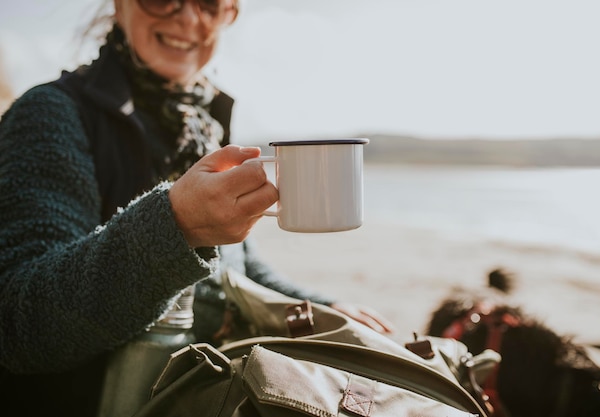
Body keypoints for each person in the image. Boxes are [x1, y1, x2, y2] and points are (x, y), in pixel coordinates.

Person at [0, 0, 393, 415]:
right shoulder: (50, 114)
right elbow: (19, 324)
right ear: (119, 6)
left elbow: (235, 272)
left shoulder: (205, 122)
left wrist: (322, 306)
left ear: (229, 14)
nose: (187, 19)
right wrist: (175, 226)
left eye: (207, 4)